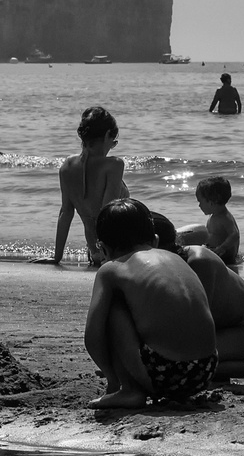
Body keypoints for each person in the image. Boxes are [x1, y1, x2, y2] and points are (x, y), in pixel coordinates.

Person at [84, 199, 218, 409]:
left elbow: (92, 335)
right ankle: (139, 384)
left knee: (114, 306)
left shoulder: (111, 269)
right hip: (205, 370)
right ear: (155, 239)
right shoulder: (177, 259)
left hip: (166, 374)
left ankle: (128, 390)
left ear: (103, 247)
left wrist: (112, 378)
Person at [152, 213, 244, 378]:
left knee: (179, 365)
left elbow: (198, 323)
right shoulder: (170, 264)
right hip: (221, 327)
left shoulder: (197, 261)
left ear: (156, 243)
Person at [37, 105, 129, 265]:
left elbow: (65, 214)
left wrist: (56, 257)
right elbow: (108, 214)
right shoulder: (114, 165)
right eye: (113, 142)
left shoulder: (67, 165)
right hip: (117, 250)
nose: (112, 147)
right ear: (108, 135)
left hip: (94, 251)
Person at [176, 175, 241, 268]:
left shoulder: (225, 217)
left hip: (225, 258)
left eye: (200, 202)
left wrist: (221, 248)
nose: (199, 205)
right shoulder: (215, 217)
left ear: (211, 202)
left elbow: (235, 235)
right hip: (218, 254)